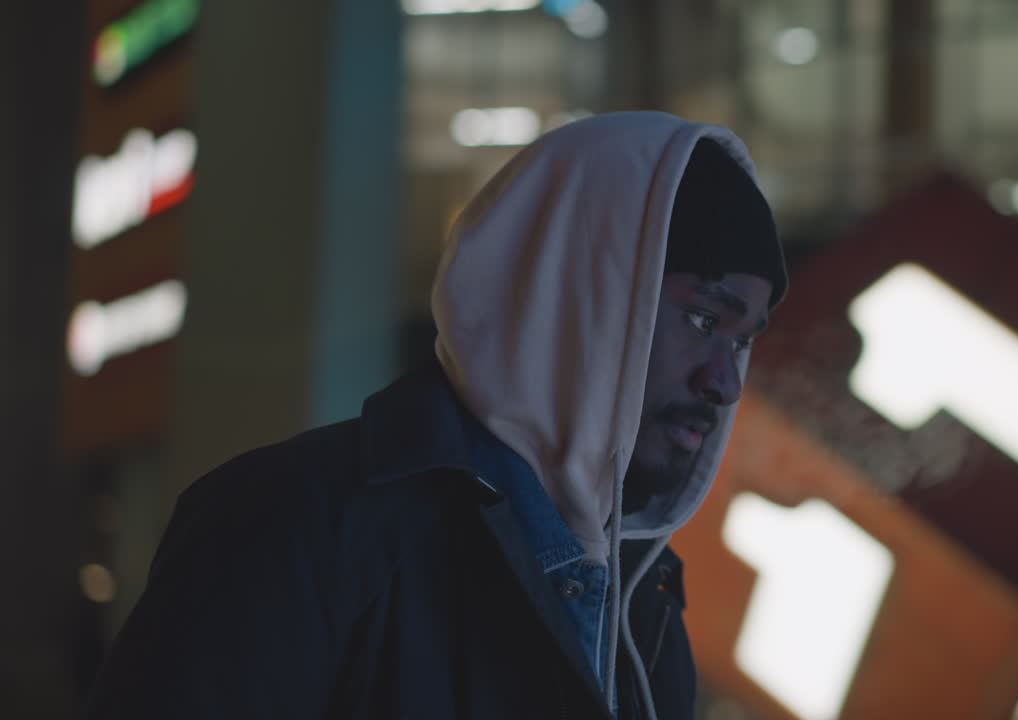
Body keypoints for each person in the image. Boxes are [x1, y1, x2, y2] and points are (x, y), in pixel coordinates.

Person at [85, 111, 787, 720]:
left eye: (743, 340)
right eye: (703, 318)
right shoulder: (289, 525)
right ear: (579, 298)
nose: (725, 382)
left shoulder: (645, 604)